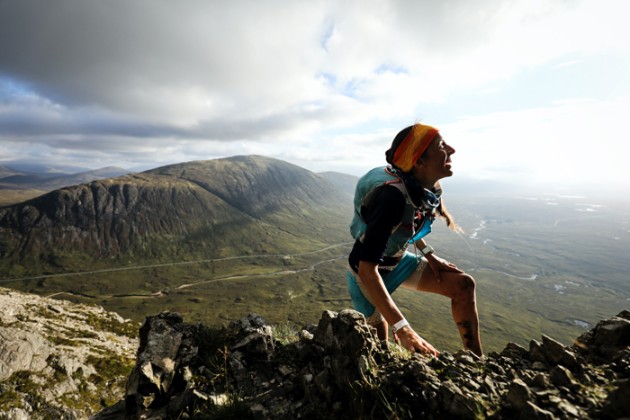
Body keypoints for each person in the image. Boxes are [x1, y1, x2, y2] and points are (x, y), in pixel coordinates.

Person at [347, 123, 483, 357]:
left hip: (396, 262)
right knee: (382, 350)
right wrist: (404, 328)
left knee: (463, 285)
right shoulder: (391, 198)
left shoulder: (425, 188)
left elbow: (411, 223)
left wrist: (430, 255)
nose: (452, 149)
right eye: (441, 145)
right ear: (419, 162)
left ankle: (477, 362)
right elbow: (367, 268)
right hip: (366, 276)